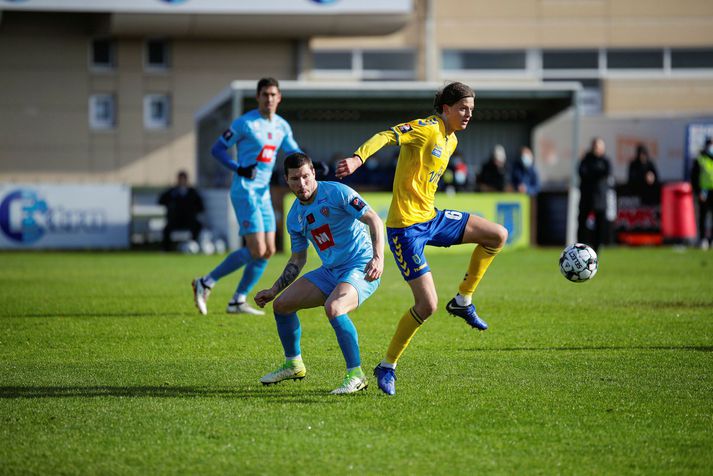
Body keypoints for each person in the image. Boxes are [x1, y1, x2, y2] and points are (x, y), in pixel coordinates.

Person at [335, 82, 508, 396]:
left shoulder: (451, 140)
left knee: (497, 235)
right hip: (405, 229)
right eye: (463, 109)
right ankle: (387, 366)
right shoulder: (427, 128)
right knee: (426, 305)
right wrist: (358, 159)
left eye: (471, 110)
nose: (468, 115)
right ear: (446, 108)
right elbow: (387, 135)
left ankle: (463, 301)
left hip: (432, 219)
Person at [255, 152, 384, 394]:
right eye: (294, 179)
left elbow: (374, 220)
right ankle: (294, 364)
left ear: (313, 173)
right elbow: (297, 259)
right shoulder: (295, 215)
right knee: (282, 305)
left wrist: (378, 258)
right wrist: (274, 290)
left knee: (334, 308)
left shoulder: (337, 193)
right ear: (286, 179)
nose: (301, 184)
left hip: (361, 265)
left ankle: (356, 375)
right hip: (330, 271)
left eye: (305, 176)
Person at [192, 78, 302, 316]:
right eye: (265, 94)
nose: (269, 99)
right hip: (246, 190)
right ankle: (206, 282)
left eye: (273, 94)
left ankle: (237, 301)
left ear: (279, 97)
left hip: (263, 193)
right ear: (258, 97)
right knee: (256, 249)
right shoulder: (245, 123)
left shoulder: (281, 126)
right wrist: (238, 168)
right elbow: (217, 149)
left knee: (269, 250)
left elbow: (293, 149)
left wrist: (313, 164)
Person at [578, 137, 614, 253]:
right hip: (586, 198)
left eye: (599, 147)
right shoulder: (586, 160)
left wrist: (593, 172)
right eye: (595, 146)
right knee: (582, 226)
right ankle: (579, 250)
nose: (596, 149)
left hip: (600, 199)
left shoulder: (606, 161)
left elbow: (606, 173)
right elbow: (582, 173)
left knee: (600, 227)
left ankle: (596, 251)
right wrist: (596, 172)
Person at [158, 170, 205, 251]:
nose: (182, 181)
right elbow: (161, 201)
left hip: (188, 220)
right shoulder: (172, 191)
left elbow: (201, 207)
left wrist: (192, 211)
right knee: (167, 229)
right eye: (180, 179)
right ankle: (166, 249)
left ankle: (194, 246)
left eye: (183, 179)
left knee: (198, 226)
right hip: (176, 220)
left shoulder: (192, 192)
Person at [690, 137, 713, 250]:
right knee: (703, 217)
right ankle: (703, 239)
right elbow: (694, 177)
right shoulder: (700, 158)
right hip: (704, 191)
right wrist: (698, 191)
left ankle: (711, 240)